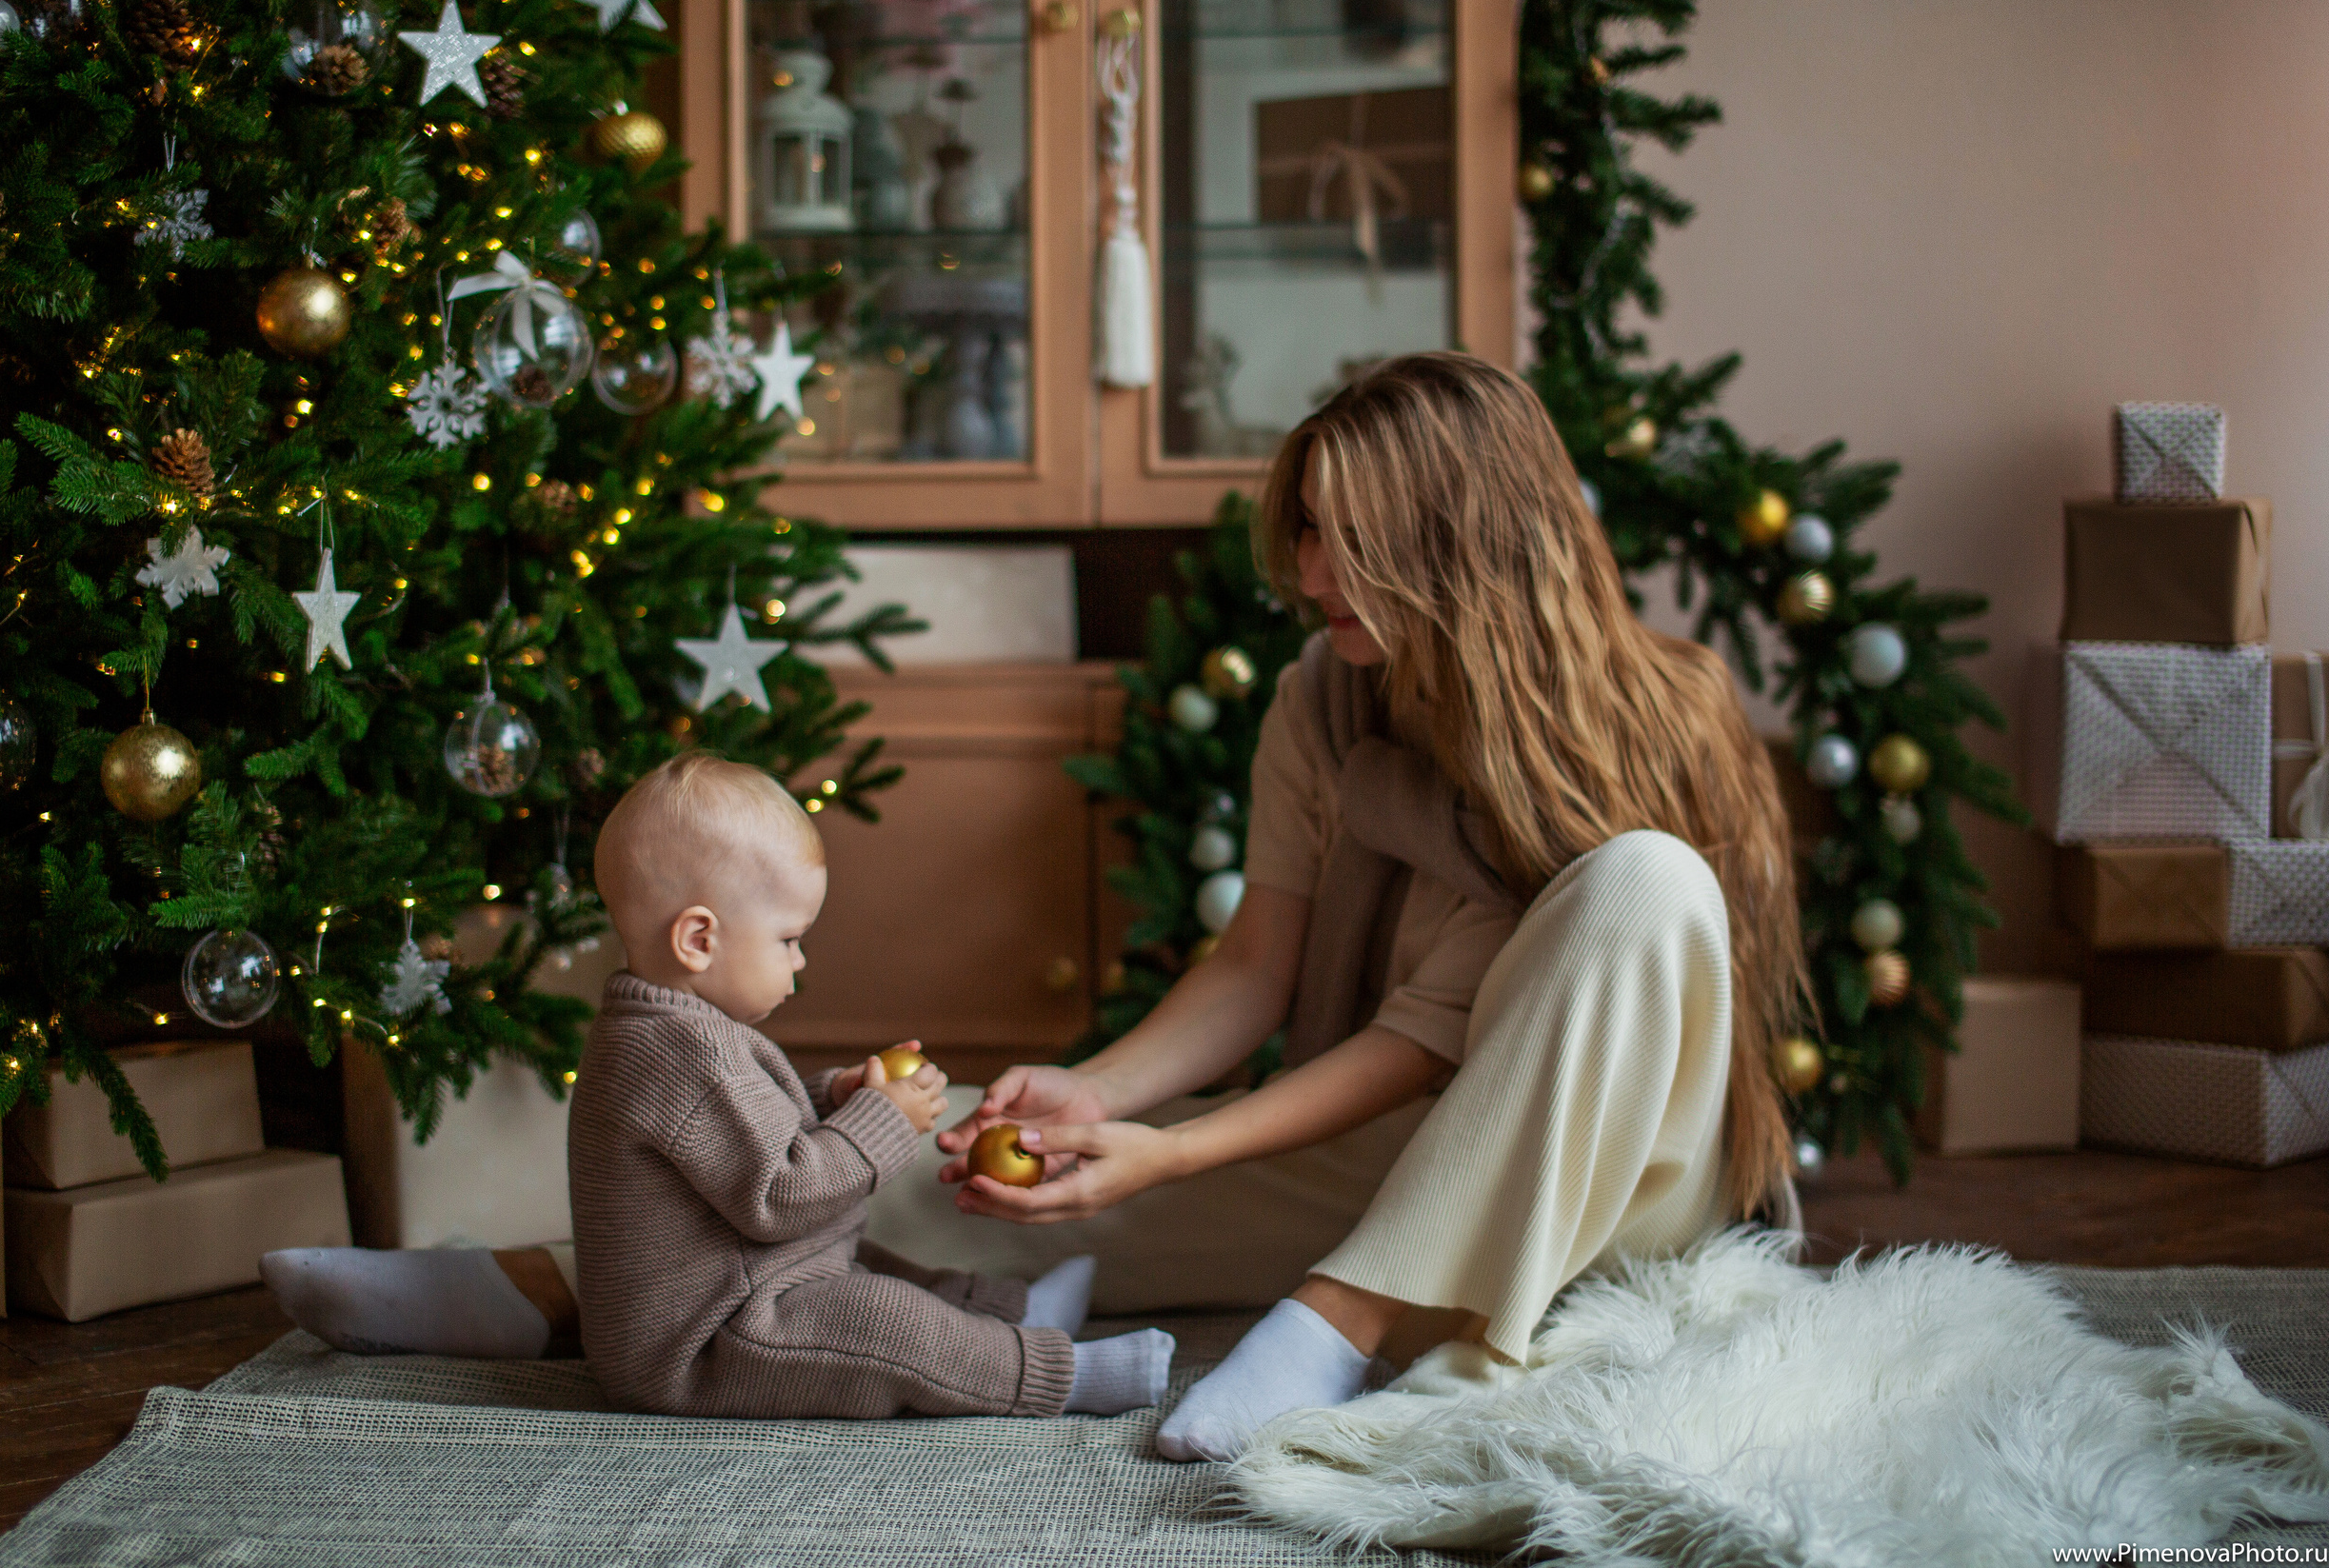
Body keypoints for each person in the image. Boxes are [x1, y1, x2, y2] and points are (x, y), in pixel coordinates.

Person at [267, 351, 1804, 1462]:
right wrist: (1097, 1100)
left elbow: (1420, 1039)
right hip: (1413, 1156)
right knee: (938, 1184)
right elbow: (1260, 961)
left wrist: (1183, 1139)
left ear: (1454, 540)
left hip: (1612, 1188)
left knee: (1642, 884)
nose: (1310, 569)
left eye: (1344, 535)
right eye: (1309, 531)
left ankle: (1335, 1325)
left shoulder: (1662, 719)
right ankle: (553, 1284)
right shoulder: (1332, 702)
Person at [266, 751, 1174, 1421]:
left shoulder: (684, 1031)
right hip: (704, 1342)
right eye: (787, 939)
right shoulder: (673, 1053)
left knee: (876, 1270)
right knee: (878, 1319)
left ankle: (1006, 1308)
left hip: (753, 1284)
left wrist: (834, 1095)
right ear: (698, 940)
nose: (802, 960)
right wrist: (878, 1125)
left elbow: (750, 1133)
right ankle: (1050, 1372)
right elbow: (777, 1193)